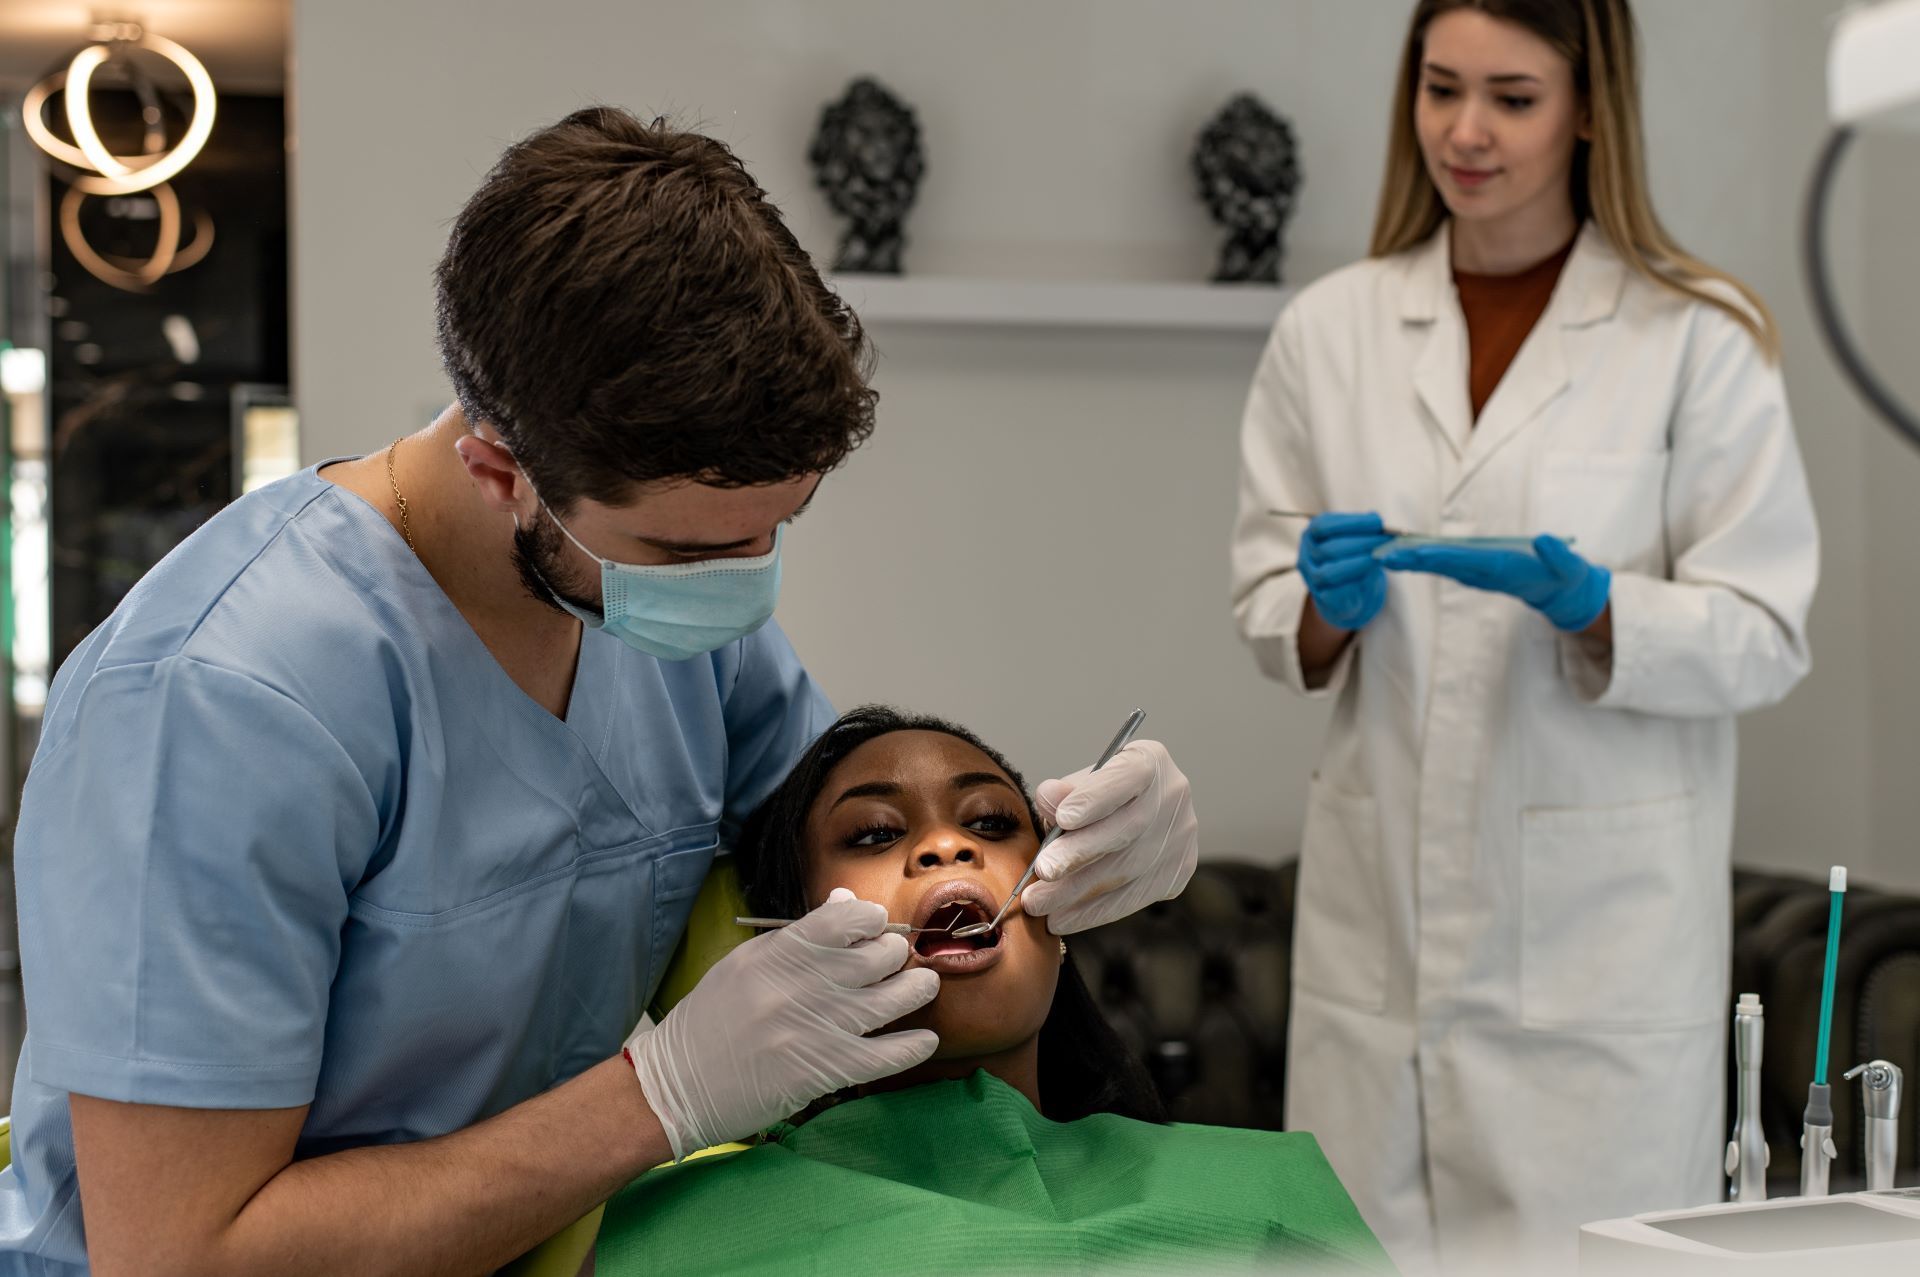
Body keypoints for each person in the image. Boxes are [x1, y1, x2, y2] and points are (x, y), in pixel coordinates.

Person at [2, 109, 1200, 1276]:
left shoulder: (674, 620)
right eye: (684, 554)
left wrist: (1076, 840)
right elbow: (177, 1253)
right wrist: (662, 1094)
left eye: (776, 530)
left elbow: (848, 841)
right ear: (497, 469)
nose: (736, 590)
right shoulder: (223, 701)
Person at [1230, 0, 1818, 1269]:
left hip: (1597, 977)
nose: (1465, 131)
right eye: (1441, 89)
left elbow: (1768, 630)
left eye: (1512, 96)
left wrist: (1597, 605)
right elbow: (1268, 601)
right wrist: (1322, 608)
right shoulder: (1328, 332)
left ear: (1591, 106)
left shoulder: (1698, 338)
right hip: (1375, 954)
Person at [592, 707, 1392, 1274]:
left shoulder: (1269, 1187)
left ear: (1067, 902)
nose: (946, 844)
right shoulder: (665, 1237)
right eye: (874, 833)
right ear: (788, 930)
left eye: (991, 823)